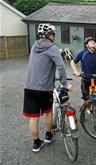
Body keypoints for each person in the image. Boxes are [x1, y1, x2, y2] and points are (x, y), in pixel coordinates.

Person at [23, 23, 73, 152]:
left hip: (29, 87)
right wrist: (64, 84)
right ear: (49, 35)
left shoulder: (34, 46)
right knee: (48, 112)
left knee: (33, 117)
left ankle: (36, 144)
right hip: (44, 88)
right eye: (53, 34)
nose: (54, 37)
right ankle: (48, 135)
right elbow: (61, 65)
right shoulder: (52, 47)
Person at [70, 37, 96, 105]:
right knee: (84, 97)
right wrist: (75, 71)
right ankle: (83, 111)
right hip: (86, 77)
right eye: (90, 42)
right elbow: (72, 62)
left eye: (93, 41)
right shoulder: (83, 53)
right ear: (87, 45)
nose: (93, 42)